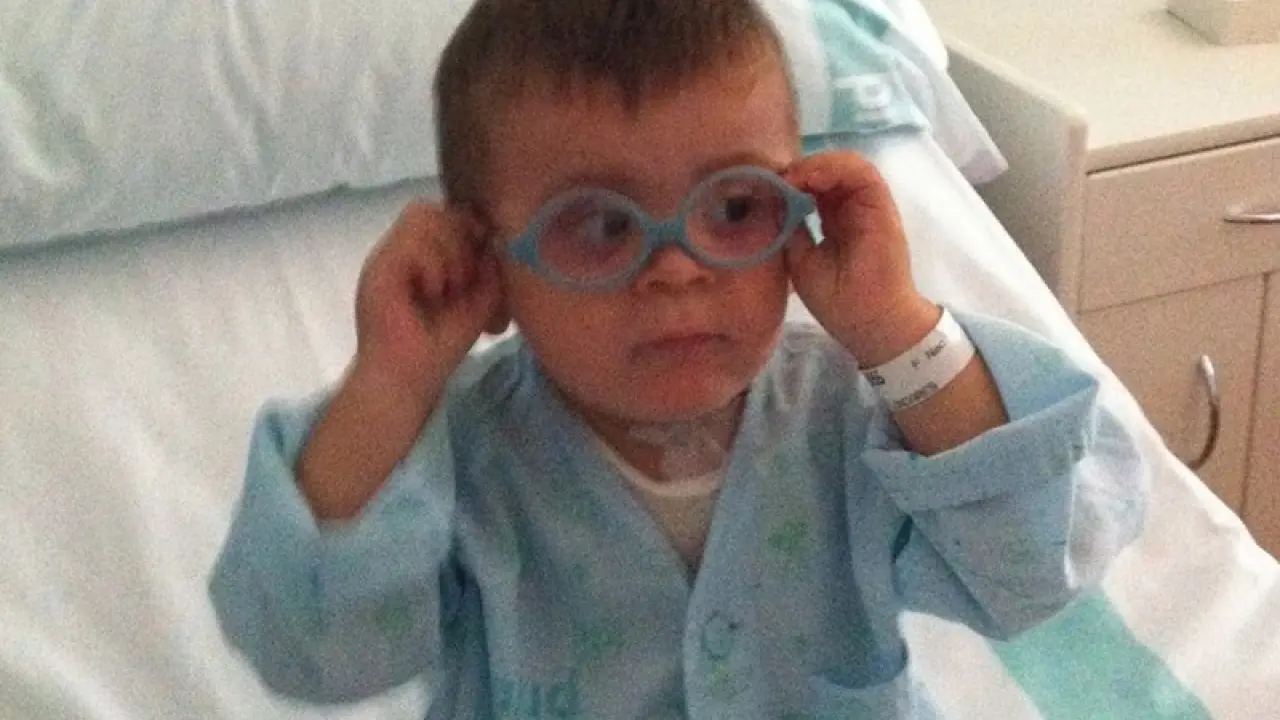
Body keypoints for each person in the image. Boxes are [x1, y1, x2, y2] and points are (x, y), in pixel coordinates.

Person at [209, 0, 1147, 716]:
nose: (678, 268)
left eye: (734, 208)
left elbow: (1033, 565)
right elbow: (312, 651)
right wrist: (390, 385)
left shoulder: (851, 415)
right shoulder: (459, 457)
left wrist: (898, 330)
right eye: (599, 226)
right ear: (486, 261)